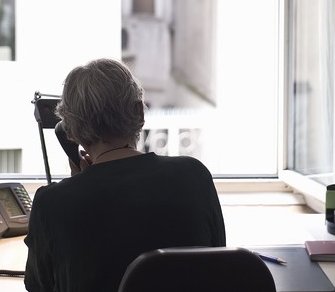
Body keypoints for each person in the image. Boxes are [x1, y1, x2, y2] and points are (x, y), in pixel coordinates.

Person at [24, 58, 226, 292]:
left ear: (69, 130)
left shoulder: (52, 203)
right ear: (139, 112)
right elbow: (217, 262)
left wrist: (76, 186)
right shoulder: (194, 176)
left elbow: (39, 287)